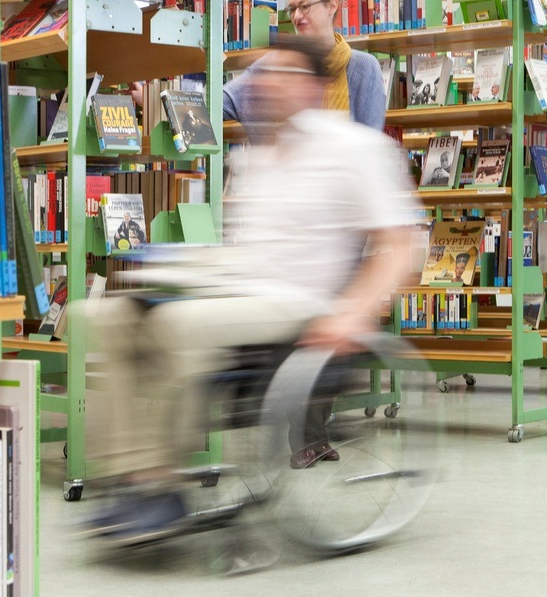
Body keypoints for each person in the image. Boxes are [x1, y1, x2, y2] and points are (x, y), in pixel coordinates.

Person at [87, 35, 414, 541]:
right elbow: (248, 250)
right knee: (113, 314)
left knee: (176, 324)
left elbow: (400, 243)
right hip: (241, 290)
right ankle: (132, 476)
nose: (265, 85)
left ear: (314, 88)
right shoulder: (255, 157)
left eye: (283, 74)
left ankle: (160, 484)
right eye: (262, 75)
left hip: (299, 304)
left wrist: (355, 311)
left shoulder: (355, 148)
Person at [223, 0, 387, 131]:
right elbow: (222, 102)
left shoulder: (363, 67)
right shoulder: (272, 63)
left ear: (332, 6)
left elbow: (369, 137)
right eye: (292, 9)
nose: (296, 16)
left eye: (305, 6)